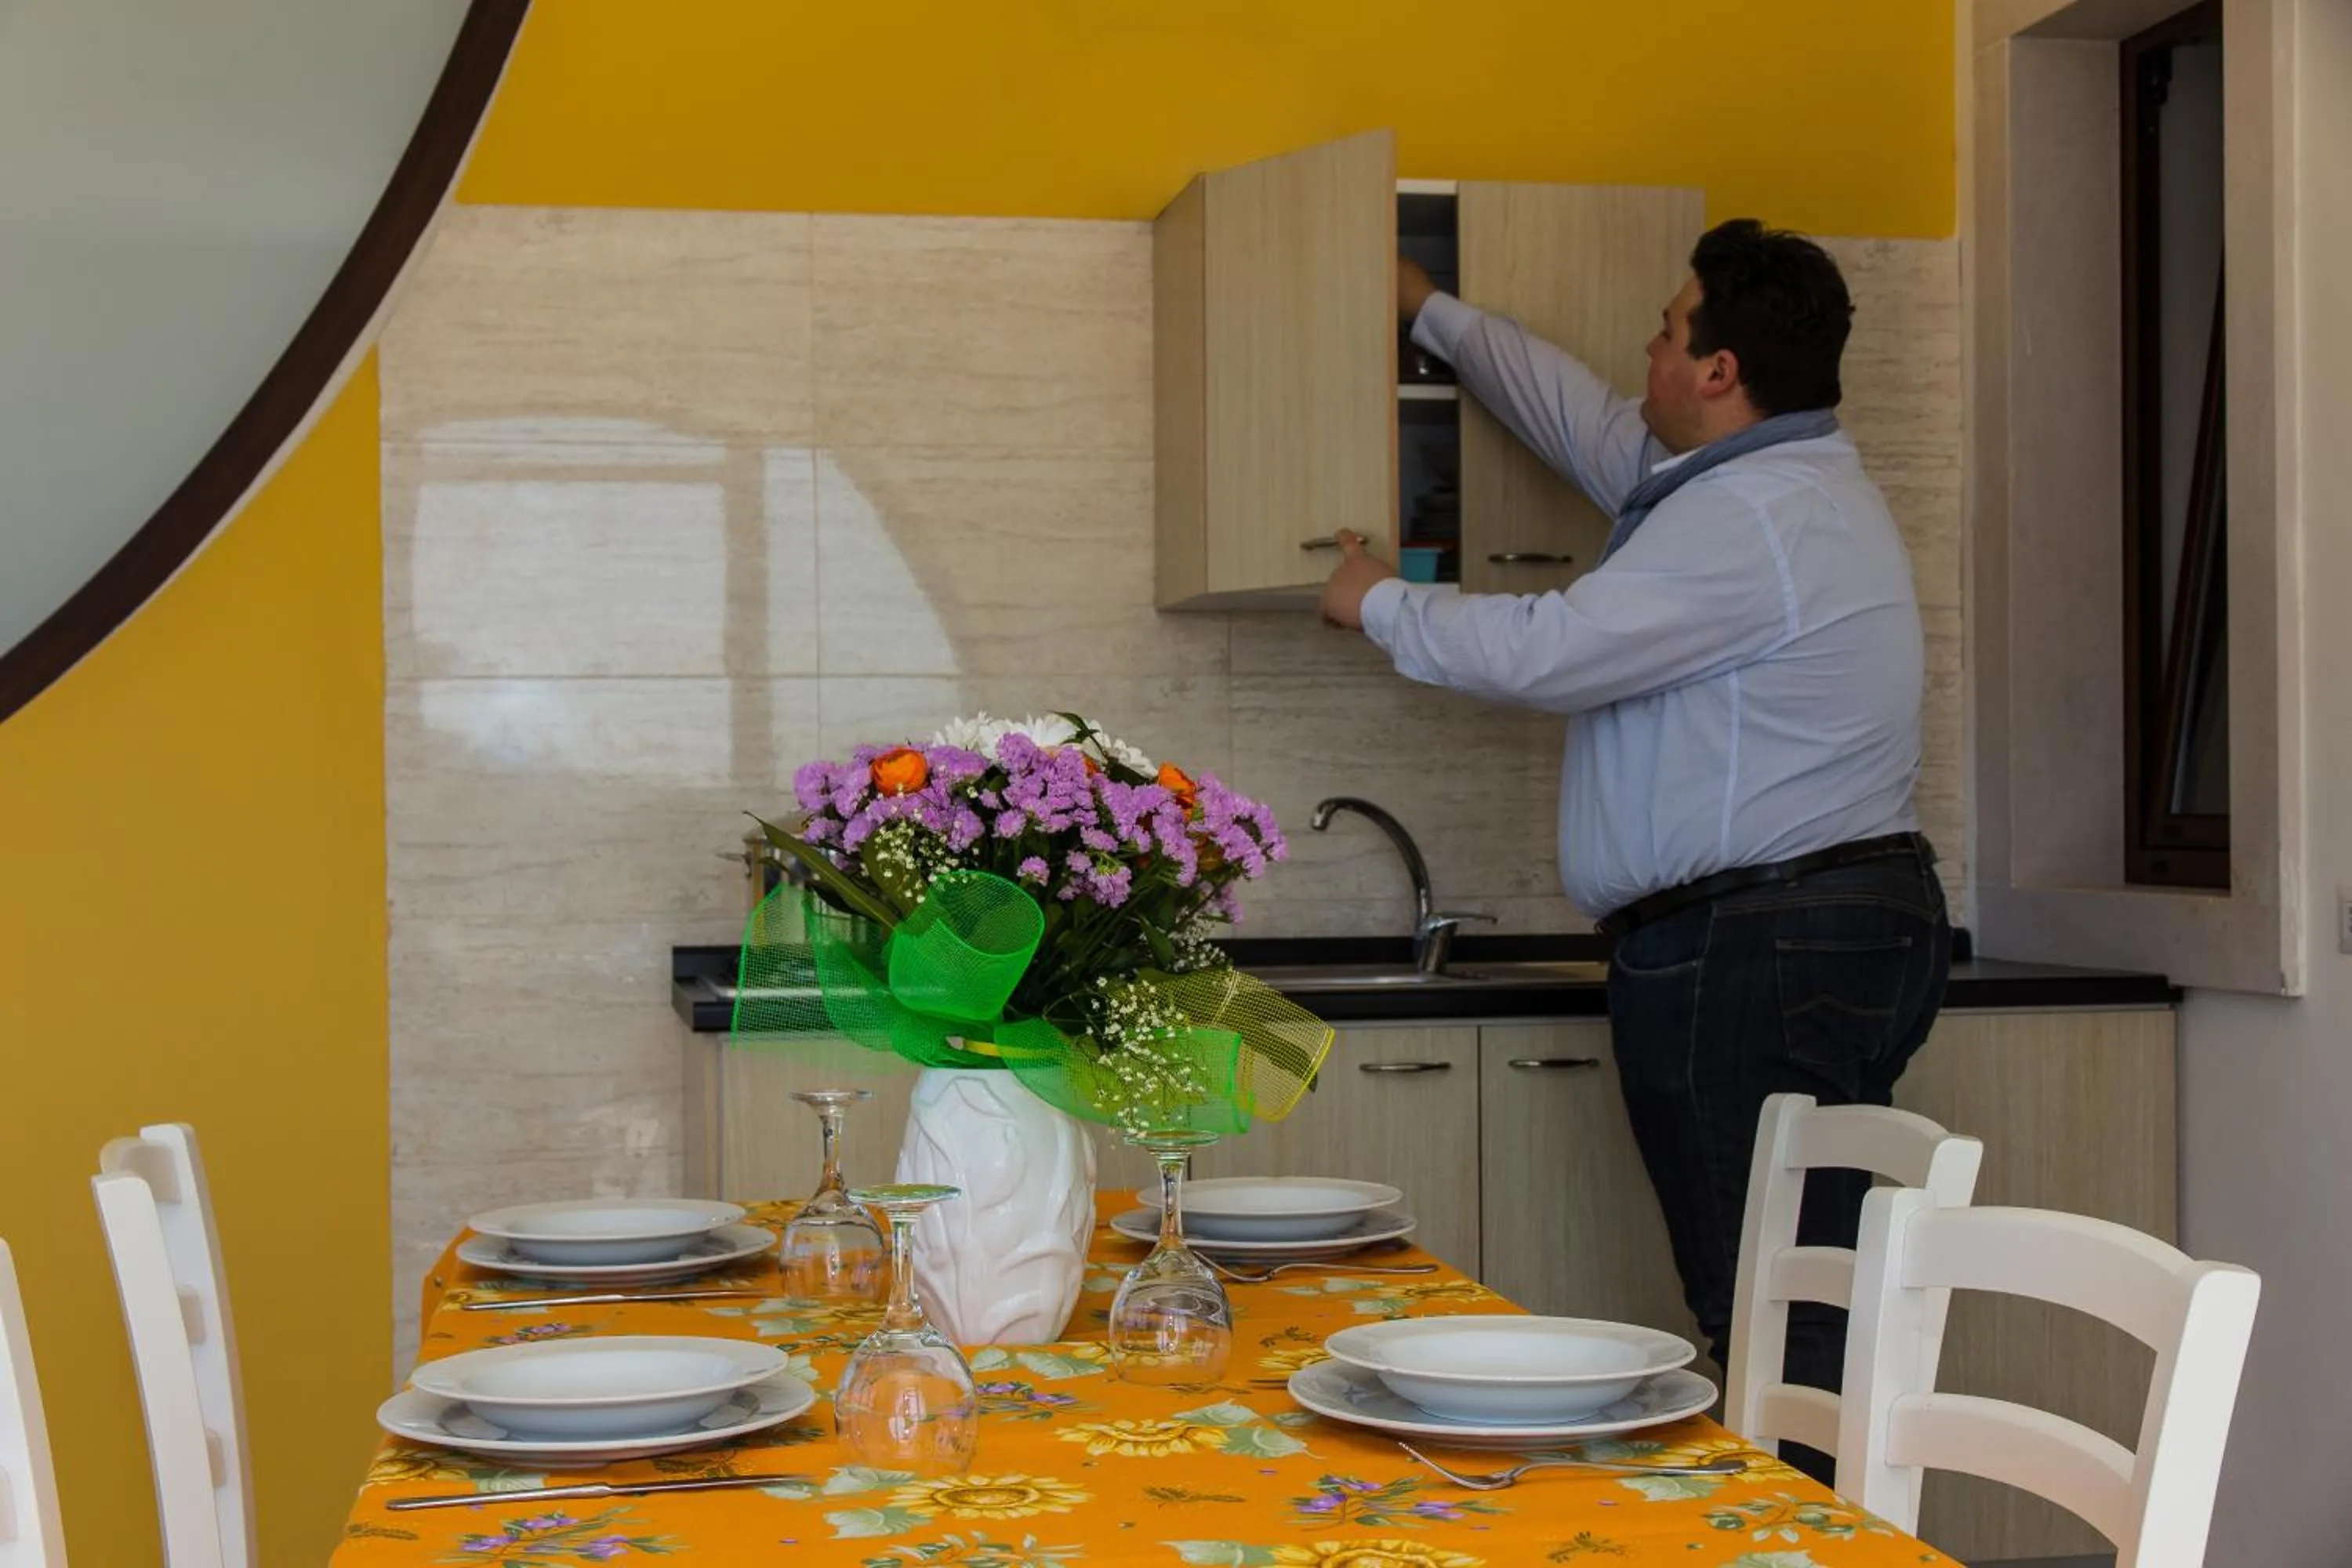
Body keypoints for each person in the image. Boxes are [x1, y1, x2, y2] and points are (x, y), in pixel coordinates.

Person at [1319, 218, 1951, 1482]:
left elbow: (1552, 652)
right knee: (1790, 1296)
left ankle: (1802, 1548)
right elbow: (1588, 423)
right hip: (1804, 928)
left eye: (1669, 329)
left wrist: (1375, 600)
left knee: (1767, 1315)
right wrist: (1430, 311)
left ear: (1719, 371)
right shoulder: (1757, 485)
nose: (1648, 348)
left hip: (1755, 943)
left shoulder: (1753, 521)